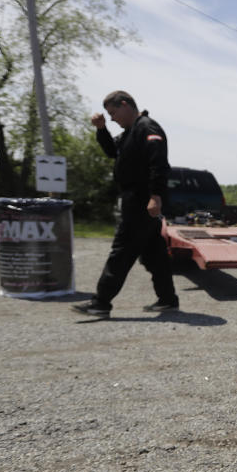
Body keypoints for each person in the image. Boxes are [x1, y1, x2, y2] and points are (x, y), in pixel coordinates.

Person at [72, 91, 179, 318]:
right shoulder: (129, 133)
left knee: (122, 250)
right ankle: (168, 300)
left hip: (141, 200)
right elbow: (112, 151)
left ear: (124, 105)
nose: (112, 118)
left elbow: (159, 163)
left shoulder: (146, 128)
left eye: (113, 113)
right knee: (154, 255)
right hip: (138, 200)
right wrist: (101, 129)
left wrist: (156, 195)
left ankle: (100, 303)